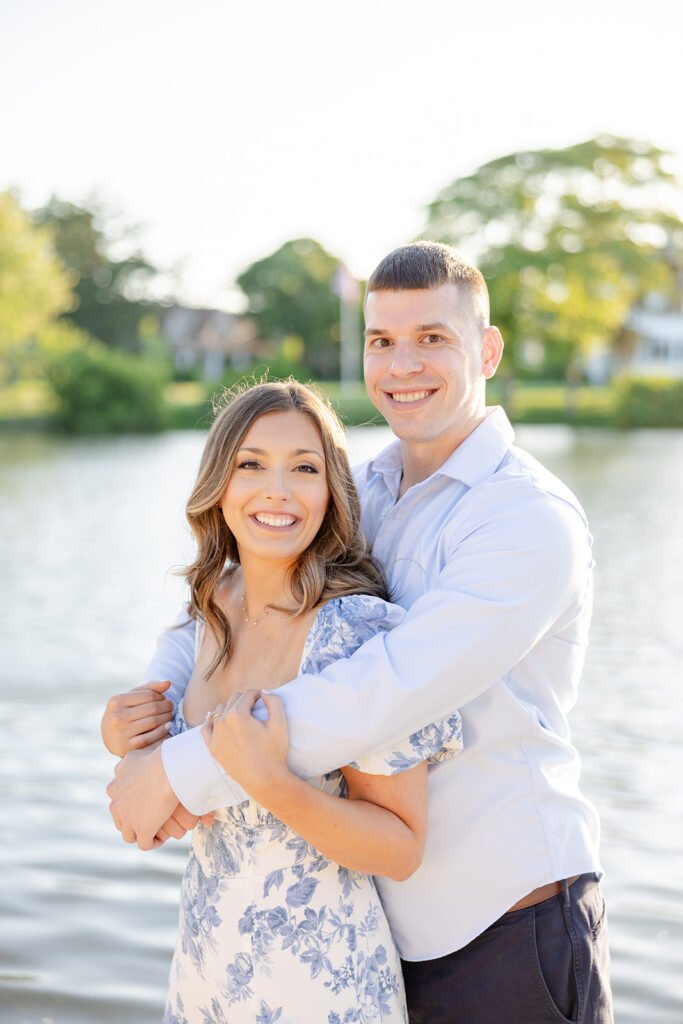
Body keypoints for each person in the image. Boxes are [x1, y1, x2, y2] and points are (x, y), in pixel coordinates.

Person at [107, 242, 613, 1023]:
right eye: (382, 340)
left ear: (486, 349)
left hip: (506, 922)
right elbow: (239, 595)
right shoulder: (363, 491)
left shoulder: (524, 520)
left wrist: (179, 773)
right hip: (372, 927)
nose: (401, 364)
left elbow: (383, 692)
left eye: (431, 338)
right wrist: (151, 705)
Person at [103, 379, 462, 1023]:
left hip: (321, 986)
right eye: (251, 465)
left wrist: (270, 781)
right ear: (219, 484)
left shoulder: (353, 632)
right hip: (205, 972)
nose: (278, 490)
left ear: (331, 491)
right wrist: (120, 728)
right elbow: (153, 769)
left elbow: (401, 847)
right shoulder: (210, 607)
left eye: (304, 468)